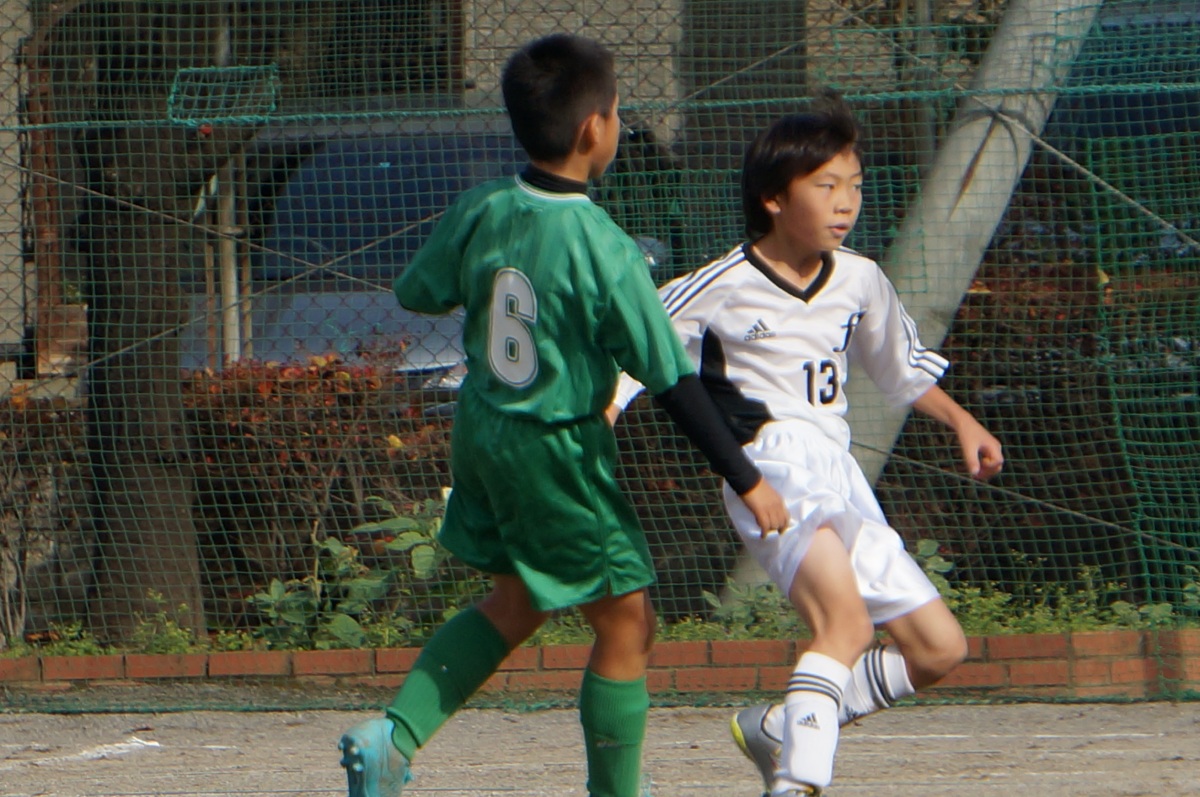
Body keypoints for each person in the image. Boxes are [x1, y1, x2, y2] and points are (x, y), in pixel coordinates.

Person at [336, 32, 789, 797]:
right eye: (617, 113)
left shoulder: (483, 207)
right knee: (627, 621)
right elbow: (672, 379)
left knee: (517, 600)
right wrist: (745, 476)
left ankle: (391, 739)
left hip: (484, 432)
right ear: (592, 130)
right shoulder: (603, 245)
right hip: (557, 450)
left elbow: (419, 290)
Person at [607, 93, 1004, 797]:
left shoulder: (860, 278)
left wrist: (961, 421)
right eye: (826, 185)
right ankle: (797, 782)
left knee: (939, 648)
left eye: (855, 185)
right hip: (770, 466)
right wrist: (603, 412)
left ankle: (781, 727)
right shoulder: (721, 284)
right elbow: (641, 348)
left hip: (838, 473)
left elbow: (901, 370)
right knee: (844, 626)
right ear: (773, 198)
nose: (846, 201)